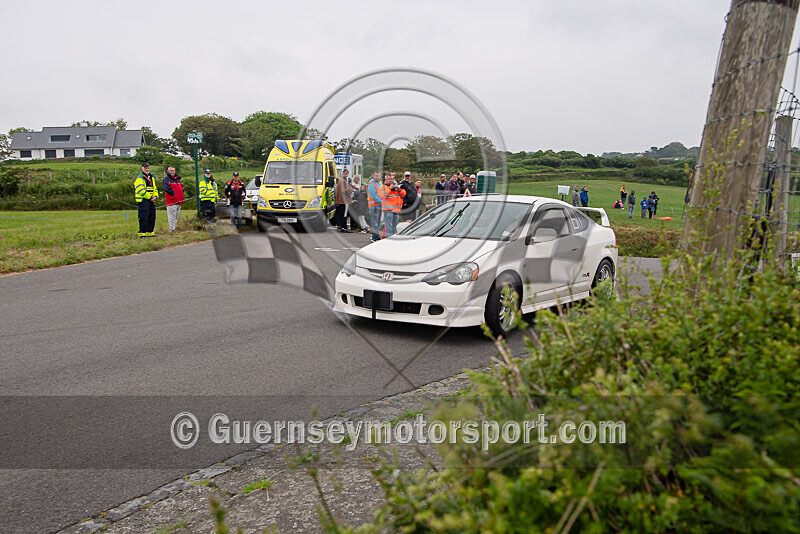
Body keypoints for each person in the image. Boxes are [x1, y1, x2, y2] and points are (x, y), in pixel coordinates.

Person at [134, 162, 158, 237]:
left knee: (152, 216)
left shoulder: (151, 177)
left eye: (148, 168)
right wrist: (150, 197)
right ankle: (142, 232)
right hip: (143, 200)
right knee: (144, 217)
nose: (147, 169)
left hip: (151, 200)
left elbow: (155, 188)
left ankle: (150, 232)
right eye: (145, 168)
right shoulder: (139, 178)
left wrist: (155, 196)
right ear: (142, 169)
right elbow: (141, 191)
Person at [378, 173, 405, 237]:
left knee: (394, 227)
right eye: (389, 179)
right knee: (389, 227)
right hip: (388, 210)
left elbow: (403, 194)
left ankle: (392, 239)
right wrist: (390, 188)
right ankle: (388, 240)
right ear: (386, 179)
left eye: (392, 179)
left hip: (396, 210)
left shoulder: (395, 187)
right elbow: (382, 196)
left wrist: (399, 189)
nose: (391, 181)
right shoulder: (383, 187)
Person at [162, 166, 184, 232]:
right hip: (172, 201)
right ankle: (172, 229)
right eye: (171, 170)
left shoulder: (177, 179)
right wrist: (173, 194)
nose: (172, 172)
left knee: (176, 216)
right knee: (172, 216)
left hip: (179, 201)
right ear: (168, 171)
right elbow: (166, 188)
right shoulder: (166, 179)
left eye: (173, 170)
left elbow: (181, 188)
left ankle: (174, 228)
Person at [367, 171, 383, 241]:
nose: (377, 177)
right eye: (376, 176)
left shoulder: (379, 183)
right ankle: (374, 237)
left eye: (378, 176)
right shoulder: (371, 184)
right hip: (374, 206)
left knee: (377, 223)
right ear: (373, 175)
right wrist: (382, 202)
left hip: (378, 206)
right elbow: (374, 196)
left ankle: (376, 236)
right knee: (375, 223)